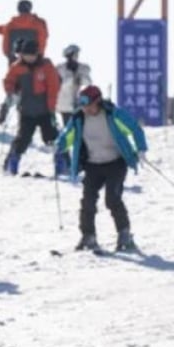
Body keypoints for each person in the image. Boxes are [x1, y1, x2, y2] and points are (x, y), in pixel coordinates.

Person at [55, 85, 148, 252]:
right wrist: (59, 145)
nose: (86, 109)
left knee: (112, 199)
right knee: (88, 201)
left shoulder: (113, 114)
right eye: (82, 105)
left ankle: (124, 234)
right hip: (92, 165)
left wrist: (140, 148)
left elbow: (134, 128)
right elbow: (67, 135)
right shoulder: (78, 118)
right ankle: (88, 236)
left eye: (88, 104)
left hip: (115, 163)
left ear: (98, 101)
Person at [1, 39, 60, 175]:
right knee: (23, 138)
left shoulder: (46, 66)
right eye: (26, 55)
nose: (29, 57)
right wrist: (12, 91)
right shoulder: (17, 67)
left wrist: (51, 108)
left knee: (52, 137)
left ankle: (62, 163)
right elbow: (9, 81)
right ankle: (11, 163)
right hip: (26, 110)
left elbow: (53, 87)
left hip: (44, 109)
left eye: (32, 55)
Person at [0, 0, 48, 66]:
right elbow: (44, 38)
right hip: (35, 61)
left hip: (14, 62)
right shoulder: (38, 25)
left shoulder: (10, 26)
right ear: (30, 9)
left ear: (18, 9)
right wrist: (39, 55)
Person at [56, 44, 92, 126]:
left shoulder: (83, 68)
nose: (75, 57)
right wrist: (71, 78)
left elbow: (88, 82)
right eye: (73, 55)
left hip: (79, 103)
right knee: (68, 126)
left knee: (80, 126)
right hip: (65, 104)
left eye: (76, 54)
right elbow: (59, 84)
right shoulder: (60, 69)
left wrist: (80, 78)